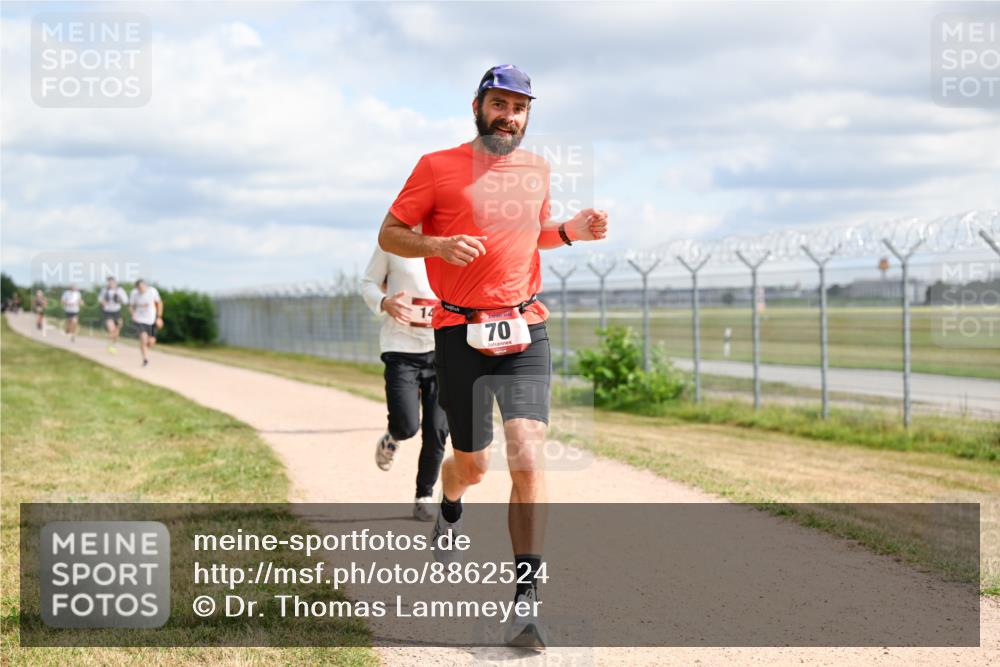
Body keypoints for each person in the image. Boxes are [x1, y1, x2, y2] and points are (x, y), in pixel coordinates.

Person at [378, 64, 608, 648]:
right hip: (459, 333)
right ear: (477, 106)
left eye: (520, 107)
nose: (510, 115)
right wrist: (436, 245)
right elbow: (390, 232)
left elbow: (534, 234)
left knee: (528, 456)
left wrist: (571, 231)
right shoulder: (436, 167)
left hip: (524, 326)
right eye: (500, 103)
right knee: (473, 465)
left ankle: (526, 600)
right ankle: (450, 503)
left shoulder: (536, 169)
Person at [361, 245, 449, 522]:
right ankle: (394, 436)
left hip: (443, 349)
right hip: (401, 347)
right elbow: (368, 283)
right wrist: (384, 302)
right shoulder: (393, 242)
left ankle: (424, 495)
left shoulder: (454, 239)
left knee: (437, 430)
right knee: (407, 425)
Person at [129, 279, 163, 367]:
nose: (141, 289)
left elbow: (159, 303)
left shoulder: (152, 291)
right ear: (136, 288)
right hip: (140, 320)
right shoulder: (134, 294)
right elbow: (131, 306)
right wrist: (133, 314)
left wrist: (159, 317)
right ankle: (145, 359)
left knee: (151, 342)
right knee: (143, 339)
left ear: (146, 286)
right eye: (139, 288)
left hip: (151, 321)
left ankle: (145, 347)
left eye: (142, 287)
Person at [98, 276, 129, 354]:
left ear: (115, 283)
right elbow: (100, 299)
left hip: (117, 312)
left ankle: (113, 344)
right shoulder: (104, 290)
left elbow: (125, 301)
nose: (110, 284)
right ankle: (110, 345)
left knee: (117, 329)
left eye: (112, 282)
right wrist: (103, 302)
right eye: (109, 282)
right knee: (111, 329)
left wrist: (119, 299)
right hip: (107, 312)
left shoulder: (120, 290)